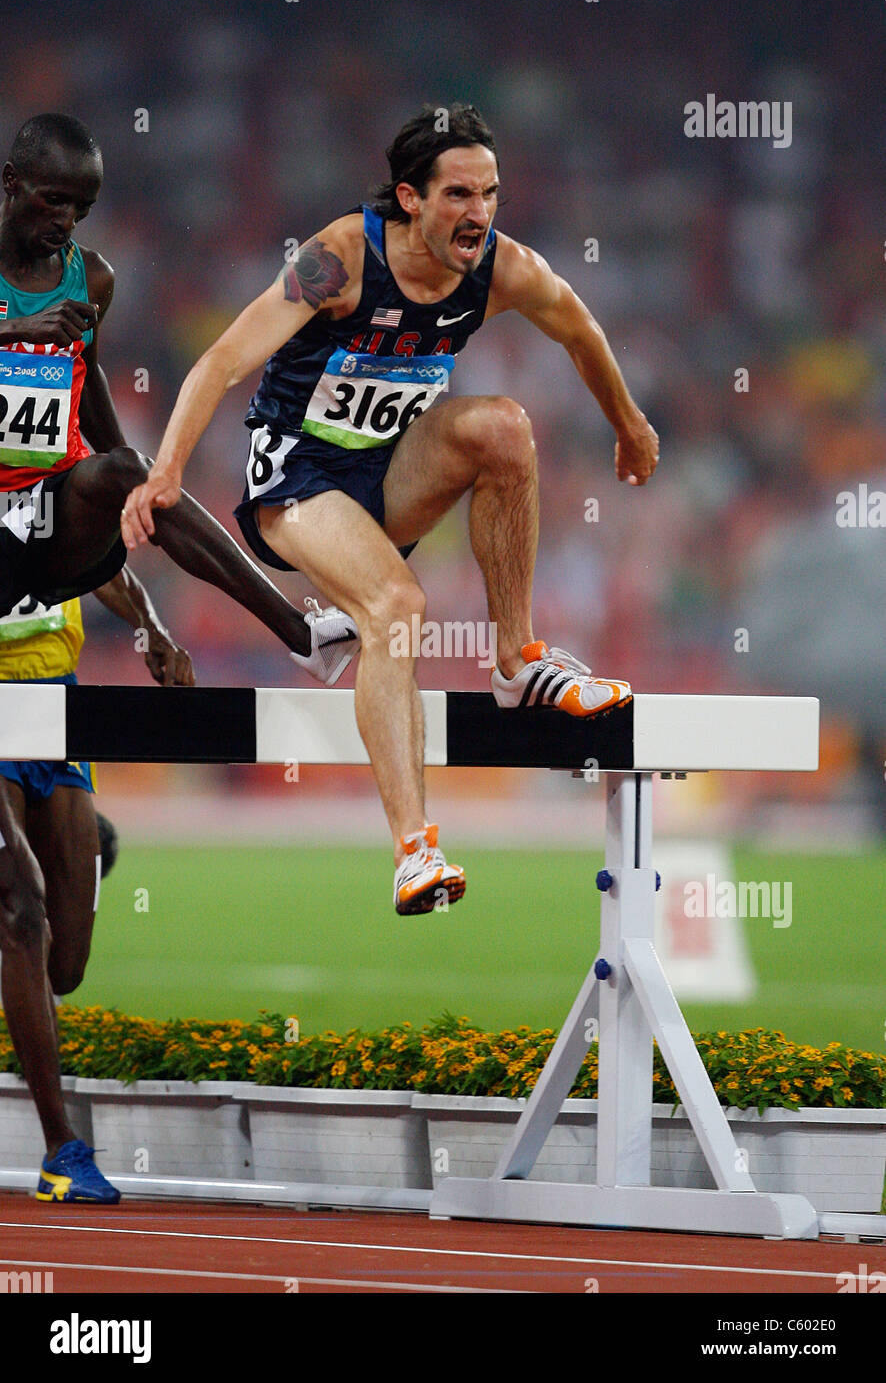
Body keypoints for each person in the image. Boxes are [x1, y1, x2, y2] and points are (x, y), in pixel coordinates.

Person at [122, 103, 660, 916]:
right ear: (410, 198)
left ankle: (517, 664)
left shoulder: (501, 268)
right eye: (458, 195)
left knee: (505, 429)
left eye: (490, 194)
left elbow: (580, 330)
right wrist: (166, 470)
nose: (478, 213)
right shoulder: (338, 258)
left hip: (387, 474)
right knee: (398, 605)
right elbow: (226, 356)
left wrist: (629, 423)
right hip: (296, 480)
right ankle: (414, 851)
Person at [0, 112, 358, 683]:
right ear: (12, 181)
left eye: (81, 209)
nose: (66, 220)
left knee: (135, 472)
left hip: (44, 516)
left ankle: (303, 636)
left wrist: (129, 484)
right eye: (54, 201)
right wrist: (20, 330)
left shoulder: (90, 279)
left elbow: (85, 376)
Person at [0, 569, 194, 1204]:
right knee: (21, 915)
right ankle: (61, 1150)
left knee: (64, 967)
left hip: (58, 701)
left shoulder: (56, 468)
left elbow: (98, 554)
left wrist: (152, 627)